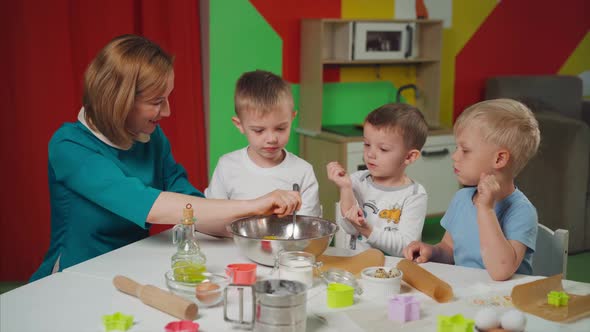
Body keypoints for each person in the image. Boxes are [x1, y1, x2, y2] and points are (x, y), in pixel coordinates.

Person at [31, 35, 300, 281]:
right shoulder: (70, 145)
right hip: (74, 276)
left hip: (131, 267)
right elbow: (149, 204)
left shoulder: (151, 138)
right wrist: (253, 205)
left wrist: (259, 230)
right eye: (158, 101)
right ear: (120, 99)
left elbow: (191, 207)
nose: (167, 112)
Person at [403, 99, 540, 281]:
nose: (455, 156)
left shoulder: (522, 211)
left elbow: (501, 272)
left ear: (499, 159)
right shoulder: (462, 198)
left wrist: (486, 209)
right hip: (468, 293)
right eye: (457, 148)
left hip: (505, 300)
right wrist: (433, 251)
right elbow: (450, 250)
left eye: (465, 150)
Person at [205, 70, 321, 217]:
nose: (272, 138)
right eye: (259, 130)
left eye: (280, 128)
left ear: (292, 118)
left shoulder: (303, 172)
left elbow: (308, 229)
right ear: (239, 124)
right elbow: (212, 216)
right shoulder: (227, 166)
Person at [327, 103, 429, 256]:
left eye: (383, 149)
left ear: (409, 156)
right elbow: (348, 229)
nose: (370, 154)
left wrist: (367, 230)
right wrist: (345, 188)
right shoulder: (357, 180)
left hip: (392, 271)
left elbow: (406, 248)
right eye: (367, 144)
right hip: (356, 264)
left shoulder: (414, 194)